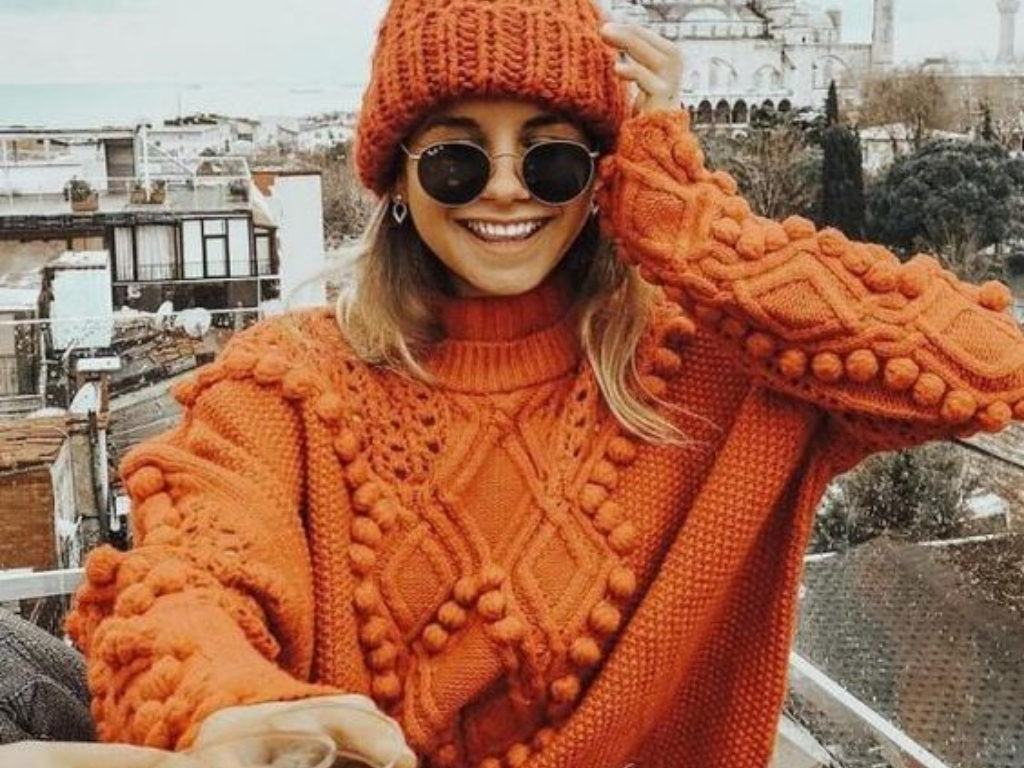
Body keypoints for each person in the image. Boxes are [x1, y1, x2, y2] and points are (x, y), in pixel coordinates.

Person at [4, 0, 1023, 766]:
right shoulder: (287, 387)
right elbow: (183, 583)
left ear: (601, 179)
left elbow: (983, 360)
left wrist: (688, 217)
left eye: (552, 161)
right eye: (456, 158)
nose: (502, 188)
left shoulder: (708, 376)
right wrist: (227, 707)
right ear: (396, 181)